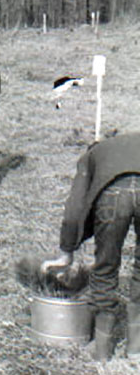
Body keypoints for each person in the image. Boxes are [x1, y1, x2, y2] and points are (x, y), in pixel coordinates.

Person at [41, 131, 140, 360]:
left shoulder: (92, 155)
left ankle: (102, 352)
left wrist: (65, 253)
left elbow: (75, 207)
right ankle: (136, 349)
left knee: (105, 268)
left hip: (114, 194)